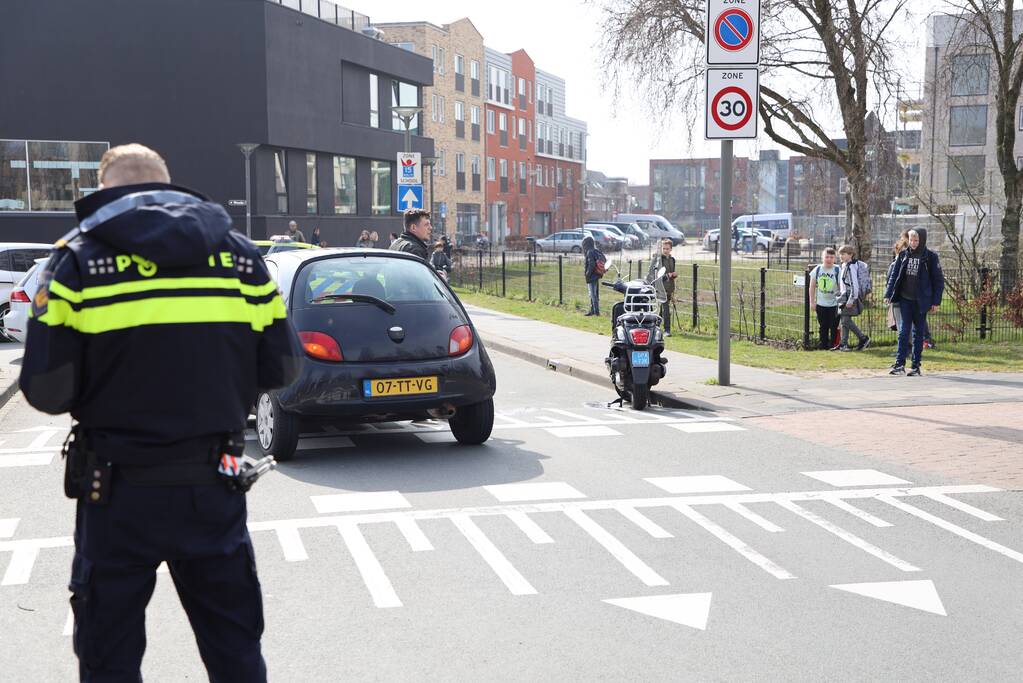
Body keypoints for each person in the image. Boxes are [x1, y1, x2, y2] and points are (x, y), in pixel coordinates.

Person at [19, 144, 303, 681]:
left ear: (106, 191)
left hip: (116, 493)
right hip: (212, 488)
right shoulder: (242, 258)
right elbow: (284, 368)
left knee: (110, 658)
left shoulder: (78, 262)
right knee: (235, 651)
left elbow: (48, 392)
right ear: (170, 185)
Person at [885, 228, 945, 375]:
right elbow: (894, 276)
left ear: (922, 240)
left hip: (921, 301)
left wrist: (936, 302)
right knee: (903, 331)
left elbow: (938, 281)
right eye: (911, 240)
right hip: (905, 299)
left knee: (918, 333)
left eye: (916, 240)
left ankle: (915, 365)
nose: (913, 243)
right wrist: (889, 294)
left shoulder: (930, 257)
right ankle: (899, 364)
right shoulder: (903, 255)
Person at [836, 245, 870, 351]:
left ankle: (863, 338)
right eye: (840, 253)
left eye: (843, 254)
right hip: (845, 296)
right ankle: (843, 344)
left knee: (845, 319)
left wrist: (851, 299)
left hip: (850, 296)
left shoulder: (851, 267)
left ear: (850, 255)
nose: (841, 256)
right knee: (845, 319)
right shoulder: (845, 265)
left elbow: (854, 284)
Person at [809, 247, 841, 350]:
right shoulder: (818, 269)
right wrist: (812, 302)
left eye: (831, 257)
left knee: (833, 326)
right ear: (822, 258)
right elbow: (812, 286)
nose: (829, 259)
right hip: (821, 304)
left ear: (835, 259)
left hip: (834, 304)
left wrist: (841, 303)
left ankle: (833, 345)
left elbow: (841, 287)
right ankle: (823, 345)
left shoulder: (837, 270)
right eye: (827, 257)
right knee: (823, 326)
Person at [647, 239, 677, 336]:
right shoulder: (657, 259)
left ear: (671, 249)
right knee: (666, 309)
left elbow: (671, 274)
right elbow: (652, 274)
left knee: (663, 309)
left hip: (669, 287)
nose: (665, 250)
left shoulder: (672, 260)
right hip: (660, 287)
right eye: (664, 248)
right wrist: (667, 276)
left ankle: (656, 326)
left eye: (667, 249)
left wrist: (673, 275)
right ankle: (667, 330)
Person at [583, 234, 603, 317]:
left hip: (592, 276)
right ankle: (593, 310)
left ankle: (596, 312)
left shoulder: (589, 252)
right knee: (594, 293)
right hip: (597, 274)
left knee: (592, 294)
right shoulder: (595, 250)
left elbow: (591, 264)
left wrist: (587, 274)